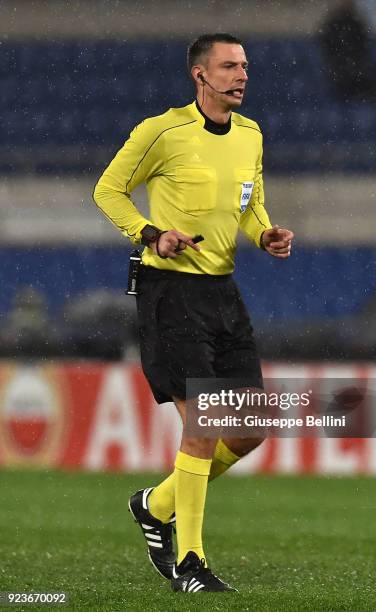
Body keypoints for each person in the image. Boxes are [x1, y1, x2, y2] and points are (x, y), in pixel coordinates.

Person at [93, 32, 293, 594]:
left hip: (223, 292)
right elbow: (108, 191)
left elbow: (250, 207)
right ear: (200, 76)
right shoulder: (162, 131)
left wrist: (266, 234)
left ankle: (155, 506)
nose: (243, 75)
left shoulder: (251, 134)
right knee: (203, 426)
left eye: (246, 66)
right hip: (170, 292)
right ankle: (191, 564)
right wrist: (150, 233)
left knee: (250, 427)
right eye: (230, 66)